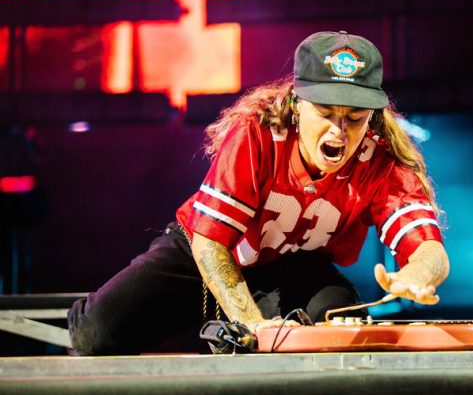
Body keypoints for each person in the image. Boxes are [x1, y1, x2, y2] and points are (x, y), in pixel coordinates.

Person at [67, 31, 449, 355]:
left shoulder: (381, 159)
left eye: (354, 118)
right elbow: (209, 244)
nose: (339, 131)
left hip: (291, 266)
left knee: (337, 323)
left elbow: (430, 250)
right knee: (96, 333)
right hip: (207, 251)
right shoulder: (258, 132)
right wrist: (250, 323)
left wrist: (416, 275)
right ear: (298, 104)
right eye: (326, 112)